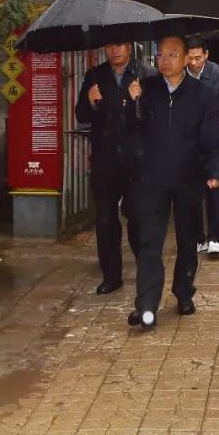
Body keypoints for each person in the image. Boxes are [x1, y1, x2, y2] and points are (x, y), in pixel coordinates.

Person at [125, 35, 219, 329]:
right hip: (152, 178)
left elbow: (213, 138)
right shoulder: (146, 88)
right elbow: (130, 129)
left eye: (172, 55)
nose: (165, 60)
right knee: (149, 242)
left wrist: (215, 170)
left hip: (188, 176)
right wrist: (132, 104)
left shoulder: (203, 93)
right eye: (160, 55)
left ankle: (183, 291)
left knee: (187, 239)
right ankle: (146, 304)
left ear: (185, 59)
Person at [75, 42, 156, 295]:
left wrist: (138, 101)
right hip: (105, 160)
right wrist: (91, 103)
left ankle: (145, 270)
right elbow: (81, 115)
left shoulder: (146, 74)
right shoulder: (95, 75)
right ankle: (111, 276)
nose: (115, 50)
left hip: (136, 162)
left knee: (137, 217)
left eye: (120, 45)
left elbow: (155, 117)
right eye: (110, 46)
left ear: (129, 48)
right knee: (105, 219)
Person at [185, 36, 219, 257]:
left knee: (214, 190)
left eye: (198, 58)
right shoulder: (180, 74)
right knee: (191, 195)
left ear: (206, 55)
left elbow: (217, 107)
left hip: (211, 139)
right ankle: (197, 238)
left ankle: (214, 237)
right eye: (190, 58)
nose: (194, 63)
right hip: (188, 141)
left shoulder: (216, 73)